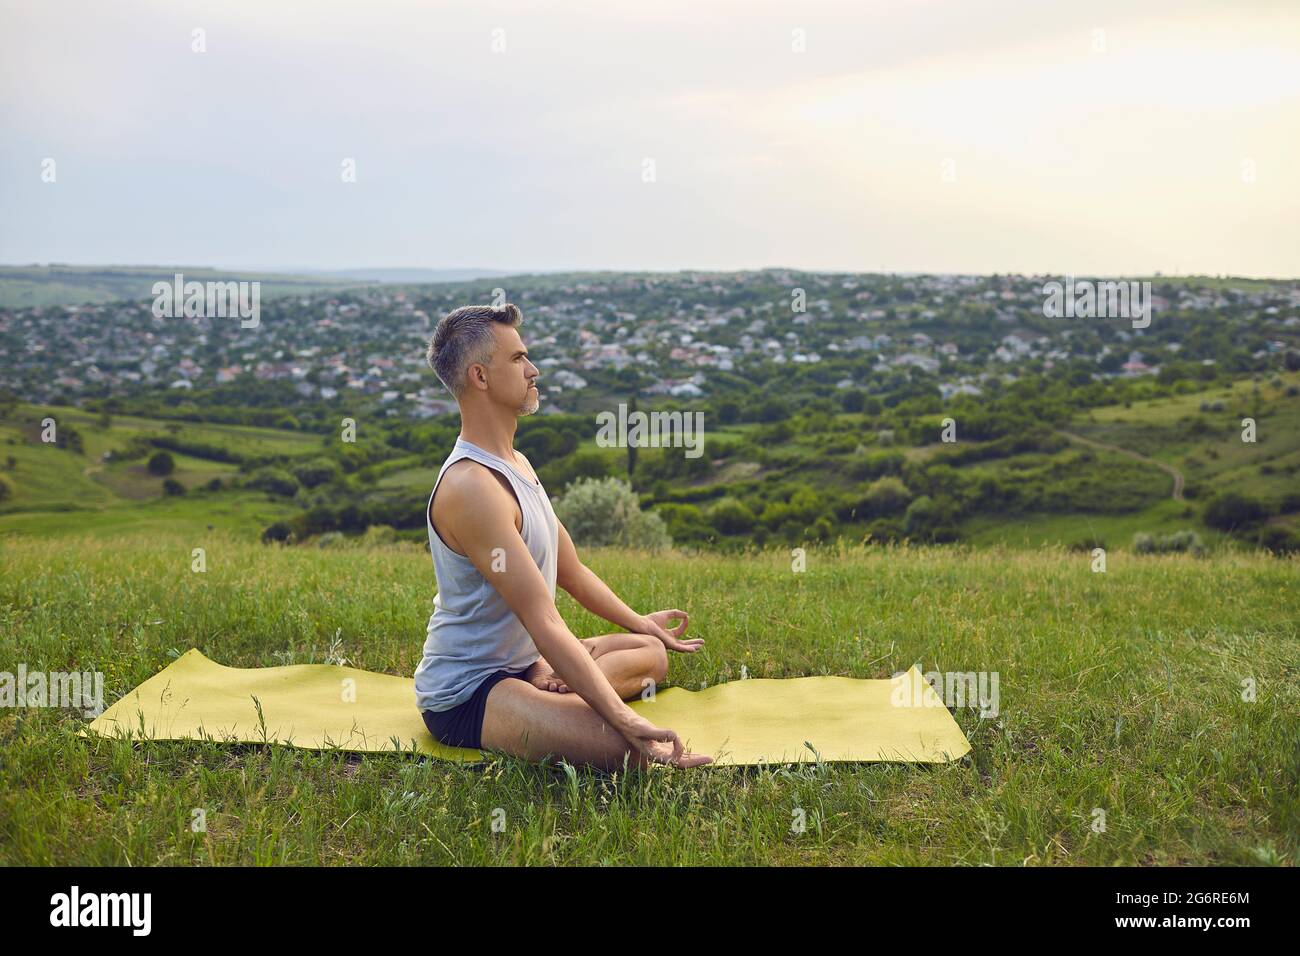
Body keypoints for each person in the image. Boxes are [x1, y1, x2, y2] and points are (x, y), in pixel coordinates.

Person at [413, 303, 712, 770]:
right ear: (480, 377)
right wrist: (623, 720)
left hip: (529, 661)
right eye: (517, 359)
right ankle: (562, 693)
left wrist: (642, 623)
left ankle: (552, 680)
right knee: (625, 752)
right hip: (473, 691)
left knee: (651, 654)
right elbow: (544, 619)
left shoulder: (518, 465)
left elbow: (572, 571)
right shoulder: (472, 488)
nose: (533, 370)